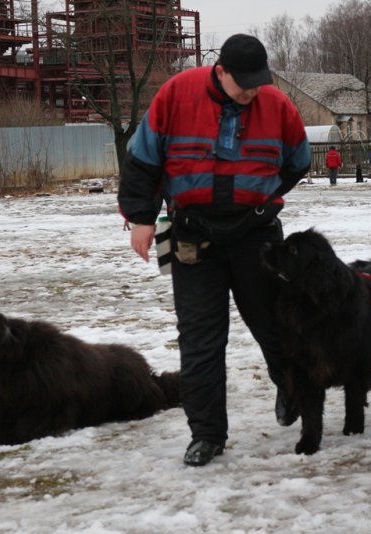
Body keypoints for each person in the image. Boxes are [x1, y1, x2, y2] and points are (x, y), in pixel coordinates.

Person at [117, 34, 311, 467]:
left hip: (255, 236)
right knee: (200, 341)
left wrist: (260, 195)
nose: (251, 92)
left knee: (276, 323)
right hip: (192, 237)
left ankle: (291, 387)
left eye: (258, 83)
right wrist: (142, 219)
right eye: (243, 83)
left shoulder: (277, 106)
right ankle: (206, 434)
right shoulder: (175, 95)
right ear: (220, 71)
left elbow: (297, 163)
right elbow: (143, 162)